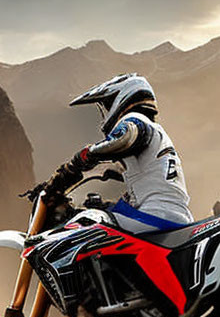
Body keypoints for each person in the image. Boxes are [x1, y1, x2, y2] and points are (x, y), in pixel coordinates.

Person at [42, 73, 194, 233]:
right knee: (103, 210)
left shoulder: (134, 118)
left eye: (106, 106)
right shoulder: (158, 135)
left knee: (83, 223)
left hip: (154, 215)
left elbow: (128, 136)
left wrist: (83, 157)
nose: (105, 114)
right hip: (176, 216)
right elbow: (132, 177)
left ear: (121, 98)